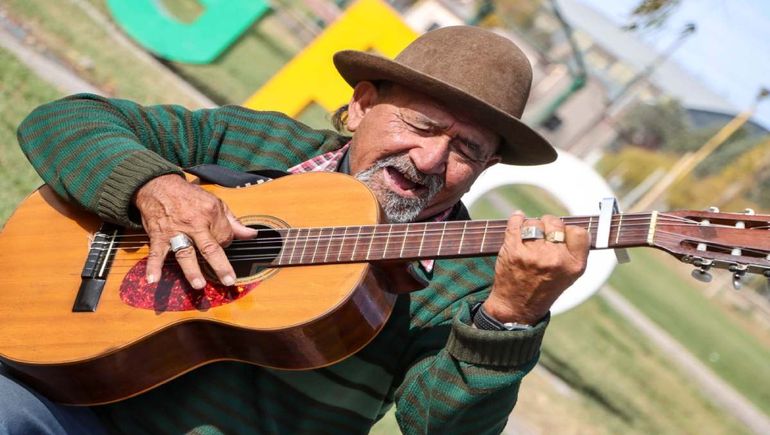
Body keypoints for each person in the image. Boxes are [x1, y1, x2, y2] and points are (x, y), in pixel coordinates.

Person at [3, 26, 589, 434]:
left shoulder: (468, 284)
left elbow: (438, 426)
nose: (431, 159)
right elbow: (67, 119)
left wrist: (508, 318)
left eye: (466, 149)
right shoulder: (253, 143)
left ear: (486, 168)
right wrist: (153, 189)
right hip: (53, 394)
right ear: (360, 105)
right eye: (420, 125)